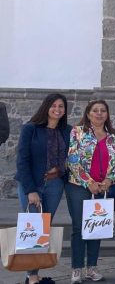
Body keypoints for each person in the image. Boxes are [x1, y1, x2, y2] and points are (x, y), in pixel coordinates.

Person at [15, 94, 71, 284]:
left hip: (55, 184)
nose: (57, 109)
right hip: (32, 184)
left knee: (43, 230)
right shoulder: (30, 128)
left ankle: (34, 274)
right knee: (33, 230)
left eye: (61, 106)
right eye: (54, 105)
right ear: (46, 107)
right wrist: (30, 190)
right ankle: (31, 278)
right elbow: (22, 160)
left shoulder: (67, 130)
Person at [66, 100, 115, 283]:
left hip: (102, 187)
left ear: (107, 114)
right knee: (78, 227)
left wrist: (109, 179)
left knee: (96, 227)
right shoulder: (78, 132)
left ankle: (91, 268)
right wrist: (88, 181)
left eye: (103, 111)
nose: (99, 114)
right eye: (95, 111)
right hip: (79, 186)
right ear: (88, 113)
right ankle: (77, 269)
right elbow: (73, 160)